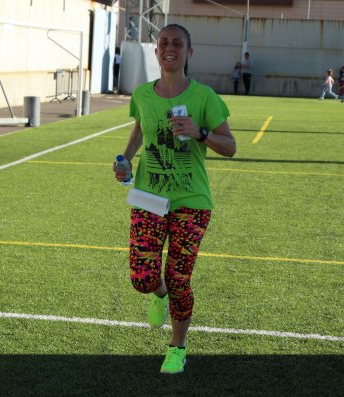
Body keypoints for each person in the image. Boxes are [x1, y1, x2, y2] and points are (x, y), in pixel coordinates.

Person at [112, 24, 236, 375]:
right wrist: (125, 160)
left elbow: (230, 146)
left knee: (181, 279)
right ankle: (158, 292)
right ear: (156, 52)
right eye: (163, 43)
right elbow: (140, 129)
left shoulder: (204, 96)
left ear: (188, 52)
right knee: (142, 276)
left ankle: (177, 348)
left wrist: (201, 132)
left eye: (177, 44)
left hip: (191, 202)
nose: (170, 48)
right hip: (148, 197)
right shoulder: (142, 95)